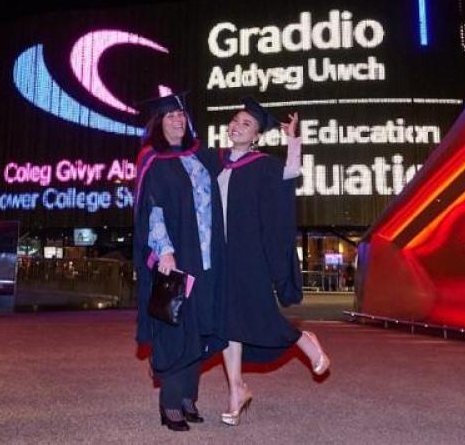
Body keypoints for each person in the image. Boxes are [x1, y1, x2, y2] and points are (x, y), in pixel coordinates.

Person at [218, 98, 330, 426]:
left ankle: (304, 341)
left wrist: (293, 139)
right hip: (220, 255)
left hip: (249, 253)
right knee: (226, 322)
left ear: (256, 136)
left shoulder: (262, 164)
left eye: (247, 124)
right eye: (235, 120)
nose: (238, 126)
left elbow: (291, 173)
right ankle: (236, 389)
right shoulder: (216, 162)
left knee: (259, 313)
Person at [133, 93, 227, 431]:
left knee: (200, 326)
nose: (178, 120)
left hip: (208, 258)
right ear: (159, 123)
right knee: (176, 327)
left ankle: (189, 395)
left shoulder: (200, 156)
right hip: (177, 256)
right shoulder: (152, 160)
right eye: (171, 116)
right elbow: (152, 209)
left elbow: (236, 170)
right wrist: (164, 251)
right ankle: (171, 402)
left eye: (182, 116)